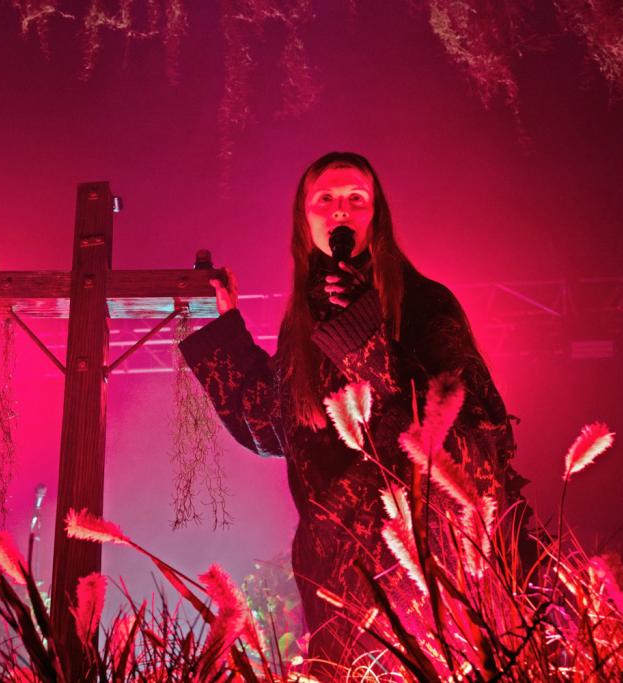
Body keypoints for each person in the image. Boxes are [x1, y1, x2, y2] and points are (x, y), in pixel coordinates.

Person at [178, 152, 531, 673]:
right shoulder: (302, 323)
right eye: (325, 199)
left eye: (355, 199)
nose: (340, 210)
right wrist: (227, 326)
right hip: (337, 572)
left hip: (427, 567)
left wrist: (370, 340)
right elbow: (271, 428)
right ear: (304, 219)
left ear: (375, 216)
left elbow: (477, 426)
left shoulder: (424, 303)